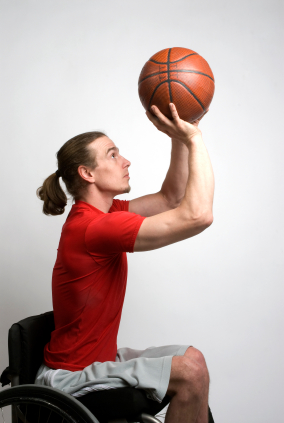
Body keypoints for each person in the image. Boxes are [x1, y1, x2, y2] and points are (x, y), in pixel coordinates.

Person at [35, 103, 215, 423]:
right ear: (87, 173)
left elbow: (172, 197)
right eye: (113, 154)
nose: (126, 160)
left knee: (193, 359)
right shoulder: (94, 228)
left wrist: (177, 134)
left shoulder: (106, 214)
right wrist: (194, 139)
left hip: (100, 361)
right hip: (71, 380)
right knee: (190, 373)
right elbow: (197, 215)